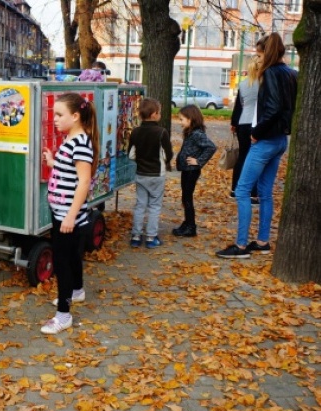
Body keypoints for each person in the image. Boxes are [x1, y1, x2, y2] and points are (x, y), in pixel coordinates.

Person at [217, 33, 297, 259]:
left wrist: (255, 133)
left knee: (242, 190)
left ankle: (241, 246)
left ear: (267, 52)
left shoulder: (271, 73)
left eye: (259, 54)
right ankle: (262, 241)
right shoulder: (290, 74)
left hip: (265, 140)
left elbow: (272, 109)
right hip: (280, 139)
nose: (257, 59)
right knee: (265, 193)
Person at [41, 92, 99, 334]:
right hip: (62, 213)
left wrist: (70, 217)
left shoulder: (80, 143)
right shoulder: (71, 140)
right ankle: (77, 291)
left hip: (68, 216)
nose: (54, 119)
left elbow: (83, 183)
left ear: (75, 116)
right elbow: (70, 172)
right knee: (72, 255)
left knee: (62, 263)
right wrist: (54, 162)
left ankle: (63, 315)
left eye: (59, 115)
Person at [127, 98, 173, 248]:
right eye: (159, 112)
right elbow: (169, 154)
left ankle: (136, 236)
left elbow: (131, 154)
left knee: (140, 205)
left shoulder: (135, 132)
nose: (160, 115)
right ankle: (151, 237)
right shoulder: (161, 132)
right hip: (156, 175)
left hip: (141, 174)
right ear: (154, 114)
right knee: (154, 206)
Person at [172, 105, 217, 237]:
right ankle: (187, 223)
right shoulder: (190, 132)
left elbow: (211, 147)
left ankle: (191, 227)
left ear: (191, 119)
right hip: (186, 169)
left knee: (187, 197)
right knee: (185, 197)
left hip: (192, 170)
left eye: (182, 119)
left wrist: (199, 161)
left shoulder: (197, 134)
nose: (180, 122)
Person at [230, 42, 265, 203]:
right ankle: (252, 192)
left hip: (242, 123)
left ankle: (235, 188)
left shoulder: (243, 84)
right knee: (255, 158)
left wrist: (233, 124)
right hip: (256, 123)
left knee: (242, 156)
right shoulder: (264, 84)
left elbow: (238, 106)